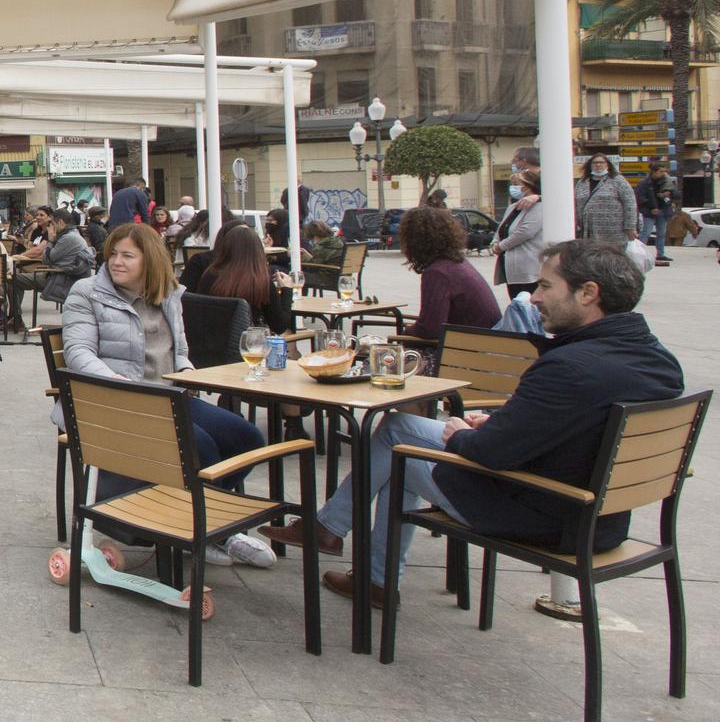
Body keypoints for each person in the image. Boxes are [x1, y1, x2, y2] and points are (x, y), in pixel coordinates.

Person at [265, 241, 681, 599]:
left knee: (396, 442)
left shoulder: (569, 367)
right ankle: (358, 561)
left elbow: (489, 454)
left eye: (546, 286)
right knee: (397, 435)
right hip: (602, 516)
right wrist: (500, 425)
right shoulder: (659, 362)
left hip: (546, 515)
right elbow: (570, 430)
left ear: (588, 293)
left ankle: (345, 545)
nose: (533, 298)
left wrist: (461, 431)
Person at [61, 222, 276, 569]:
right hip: (120, 402)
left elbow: (179, 350)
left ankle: (204, 522)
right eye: (113, 254)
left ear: (150, 262)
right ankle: (207, 528)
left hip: (171, 397)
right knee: (200, 447)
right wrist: (117, 381)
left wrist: (187, 371)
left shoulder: (169, 295)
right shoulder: (87, 293)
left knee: (248, 438)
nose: (116, 261)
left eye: (128, 256)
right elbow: (78, 352)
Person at [398, 206, 500, 342]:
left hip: (469, 350)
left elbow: (430, 329)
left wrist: (405, 332)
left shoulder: (437, 272)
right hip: (487, 342)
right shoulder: (457, 263)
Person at [195, 224, 295, 334]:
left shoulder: (209, 275)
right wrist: (287, 290)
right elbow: (279, 326)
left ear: (225, 247)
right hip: (247, 346)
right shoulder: (260, 281)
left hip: (209, 343)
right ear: (258, 250)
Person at [491, 168, 546, 302]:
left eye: (517, 184)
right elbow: (502, 228)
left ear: (528, 186)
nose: (513, 187)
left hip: (529, 268)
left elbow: (525, 232)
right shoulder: (513, 207)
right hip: (510, 267)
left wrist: (501, 246)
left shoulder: (539, 206)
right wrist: (494, 243)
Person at [574, 151, 638, 245]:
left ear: (607, 165)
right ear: (590, 165)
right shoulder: (582, 183)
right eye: (595, 163)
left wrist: (630, 227)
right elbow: (575, 204)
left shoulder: (618, 180)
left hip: (613, 233)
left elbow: (630, 204)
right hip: (588, 232)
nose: (598, 165)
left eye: (601, 162)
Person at [635, 161, 677, 265]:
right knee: (646, 233)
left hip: (663, 211)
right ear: (654, 172)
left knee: (661, 234)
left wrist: (670, 194)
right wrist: (651, 207)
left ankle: (660, 254)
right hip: (649, 212)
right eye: (661, 171)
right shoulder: (644, 183)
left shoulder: (667, 182)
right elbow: (640, 198)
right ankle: (640, 254)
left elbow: (677, 194)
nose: (663, 174)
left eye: (664, 171)